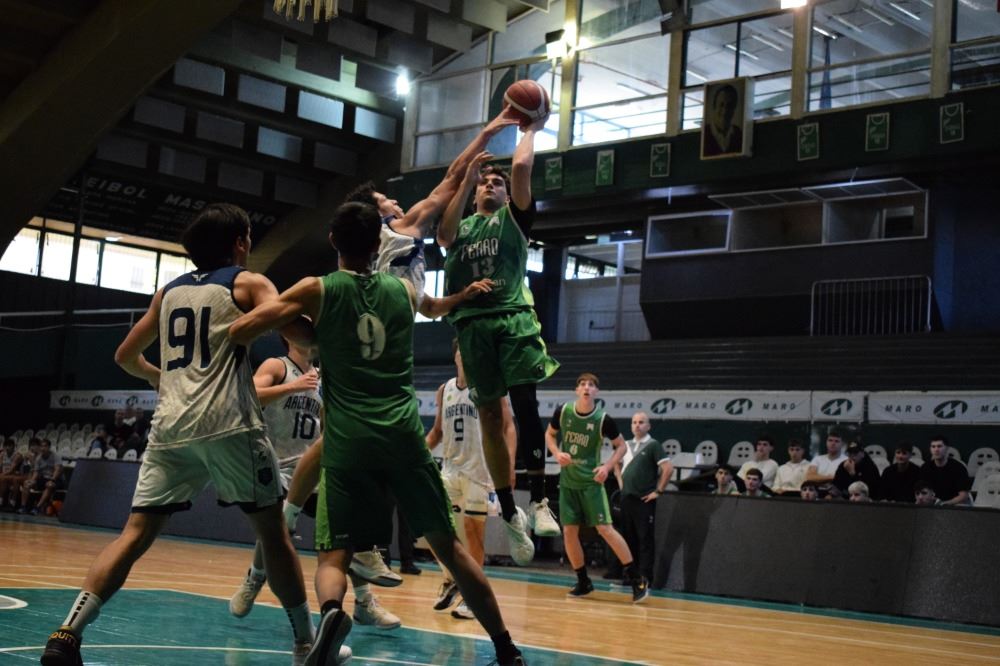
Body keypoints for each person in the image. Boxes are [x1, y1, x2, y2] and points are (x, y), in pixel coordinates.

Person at [229, 201, 526, 666]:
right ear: (377, 246)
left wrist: (298, 328)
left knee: (333, 555)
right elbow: (434, 306)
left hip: (347, 440)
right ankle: (506, 648)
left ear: (333, 240)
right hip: (402, 435)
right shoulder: (403, 290)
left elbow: (245, 327)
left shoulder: (317, 289)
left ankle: (333, 613)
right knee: (450, 549)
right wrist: (464, 296)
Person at [41, 204, 323, 666]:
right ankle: (306, 645)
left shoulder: (168, 293)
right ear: (240, 242)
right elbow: (305, 337)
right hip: (229, 424)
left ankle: (67, 633)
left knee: (134, 534)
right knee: (274, 536)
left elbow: (124, 356)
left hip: (171, 427)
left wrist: (162, 378)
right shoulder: (248, 283)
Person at [439, 117, 562, 566]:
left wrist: (532, 126)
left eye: (497, 182)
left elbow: (523, 168)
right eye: (484, 182)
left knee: (525, 403)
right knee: (490, 416)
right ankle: (510, 511)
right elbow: (443, 234)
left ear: (509, 196)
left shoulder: (513, 219)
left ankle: (540, 500)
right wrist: (467, 178)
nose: (490, 184)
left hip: (512, 319)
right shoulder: (462, 229)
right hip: (472, 326)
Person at [228, 337, 401, 631]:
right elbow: (249, 394)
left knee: (344, 528)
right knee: (275, 527)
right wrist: (293, 387)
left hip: (313, 470)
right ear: (289, 337)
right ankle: (254, 579)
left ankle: (364, 602)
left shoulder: (322, 376)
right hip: (277, 466)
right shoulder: (277, 366)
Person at [425, 339, 515, 619]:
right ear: (455, 355)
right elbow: (437, 431)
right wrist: (415, 454)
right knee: (434, 526)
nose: (466, 353)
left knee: (473, 532)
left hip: (479, 471)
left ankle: (471, 598)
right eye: (462, 348)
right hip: (450, 469)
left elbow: (509, 427)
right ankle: (451, 578)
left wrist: (509, 466)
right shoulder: (445, 389)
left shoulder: (489, 386)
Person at [544, 373, 649, 603]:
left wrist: (607, 467)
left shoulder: (603, 419)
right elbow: (549, 435)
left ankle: (636, 578)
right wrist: (556, 452)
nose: (586, 388)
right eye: (582, 384)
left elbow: (621, 446)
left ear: (596, 392)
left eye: (591, 385)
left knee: (605, 529)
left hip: (591, 483)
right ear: (576, 390)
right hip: (568, 483)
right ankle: (583, 581)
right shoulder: (563, 412)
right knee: (569, 532)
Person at [616, 411, 672, 585]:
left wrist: (658, 491)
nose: (637, 425)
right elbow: (616, 463)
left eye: (641, 422)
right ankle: (629, 576)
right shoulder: (626, 445)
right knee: (627, 539)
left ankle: (644, 577)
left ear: (648, 426)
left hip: (644, 500)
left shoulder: (653, 445)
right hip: (627, 498)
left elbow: (668, 468)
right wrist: (620, 482)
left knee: (644, 539)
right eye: (634, 422)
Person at [919, 436, 972, 506]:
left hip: (955, 505)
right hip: (933, 505)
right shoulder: (925, 468)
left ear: (947, 448)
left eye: (939, 446)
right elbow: (922, 491)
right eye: (933, 446)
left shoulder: (959, 468)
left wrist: (944, 504)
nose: (936, 449)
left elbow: (963, 496)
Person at [18, 438, 64, 515]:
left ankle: (37, 508)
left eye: (45, 446)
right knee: (26, 484)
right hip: (43, 479)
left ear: (49, 447)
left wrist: (52, 480)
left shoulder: (55, 456)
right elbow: (36, 472)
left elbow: (57, 470)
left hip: (56, 479)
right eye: (41, 446)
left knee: (49, 485)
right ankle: (23, 507)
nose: (43, 448)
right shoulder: (38, 458)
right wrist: (32, 481)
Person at [702, 83, 744, 157]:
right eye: (721, 105)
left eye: (729, 106)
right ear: (714, 107)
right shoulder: (705, 134)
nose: (725, 111)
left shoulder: (739, 134)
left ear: (734, 109)